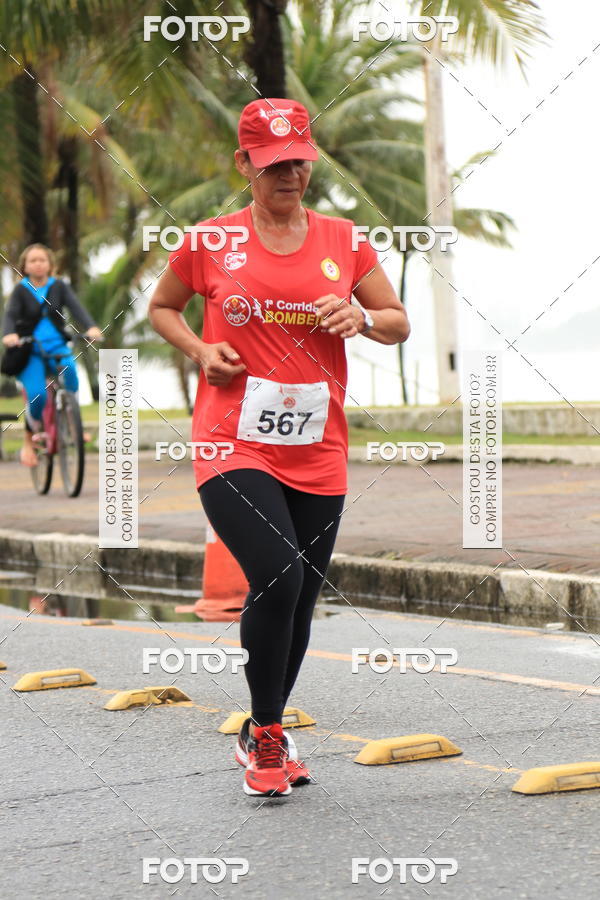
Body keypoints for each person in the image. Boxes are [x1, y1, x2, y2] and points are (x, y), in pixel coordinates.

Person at [149, 98, 410, 797]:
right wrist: (203, 349)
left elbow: (397, 321)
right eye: (272, 164)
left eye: (298, 161)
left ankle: (262, 727)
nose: (288, 174)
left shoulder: (344, 240)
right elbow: (161, 307)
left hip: (318, 445)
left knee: (299, 600)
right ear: (244, 165)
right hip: (232, 441)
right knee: (280, 575)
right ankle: (267, 736)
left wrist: (361, 315)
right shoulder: (210, 242)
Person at [1, 243, 102, 466]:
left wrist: (91, 327)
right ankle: (28, 441)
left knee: (72, 374)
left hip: (57, 346)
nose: (38, 264)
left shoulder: (59, 286)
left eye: (42, 260)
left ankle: (73, 424)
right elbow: (10, 316)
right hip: (31, 349)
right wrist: (9, 334)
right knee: (38, 396)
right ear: (25, 266)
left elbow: (77, 309)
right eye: (33, 261)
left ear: (50, 264)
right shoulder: (21, 290)